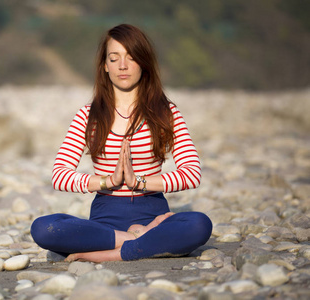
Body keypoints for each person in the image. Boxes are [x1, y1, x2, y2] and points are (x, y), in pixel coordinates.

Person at [31, 24, 212, 262]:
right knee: (44, 228)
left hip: (152, 213)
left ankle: (105, 255)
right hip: (105, 220)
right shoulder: (88, 116)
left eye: (131, 57)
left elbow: (191, 173)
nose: (123, 66)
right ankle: (136, 242)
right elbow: (59, 175)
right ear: (105, 66)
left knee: (199, 224)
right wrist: (108, 181)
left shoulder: (166, 113)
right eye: (114, 59)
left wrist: (140, 182)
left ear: (144, 64)